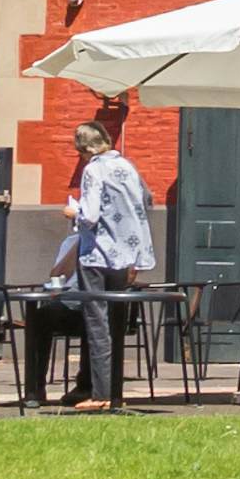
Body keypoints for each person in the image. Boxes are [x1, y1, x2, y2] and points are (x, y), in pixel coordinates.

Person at [46, 113, 156, 408]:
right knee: (116, 323)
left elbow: (91, 215)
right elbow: (148, 199)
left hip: (97, 254)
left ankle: (100, 395)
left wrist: (74, 214)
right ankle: (112, 392)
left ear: (85, 150)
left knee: (97, 322)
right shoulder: (127, 166)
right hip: (125, 254)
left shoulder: (93, 170)